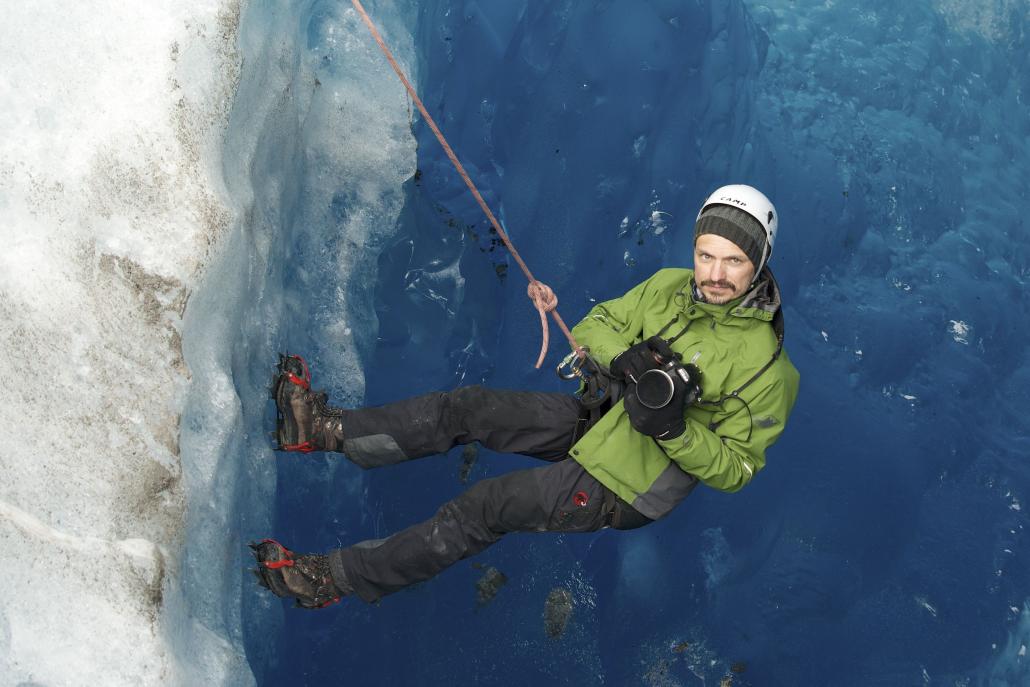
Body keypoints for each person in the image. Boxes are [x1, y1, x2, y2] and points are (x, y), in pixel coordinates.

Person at [250, 184, 800, 609]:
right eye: (707, 255)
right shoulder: (669, 286)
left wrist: (673, 427)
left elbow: (737, 468)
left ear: (759, 263)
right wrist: (623, 359)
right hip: (596, 420)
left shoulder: (768, 367)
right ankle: (323, 430)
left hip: (629, 480)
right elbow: (598, 323)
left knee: (484, 508)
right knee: (467, 408)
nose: (715, 274)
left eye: (734, 261)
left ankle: (328, 580)